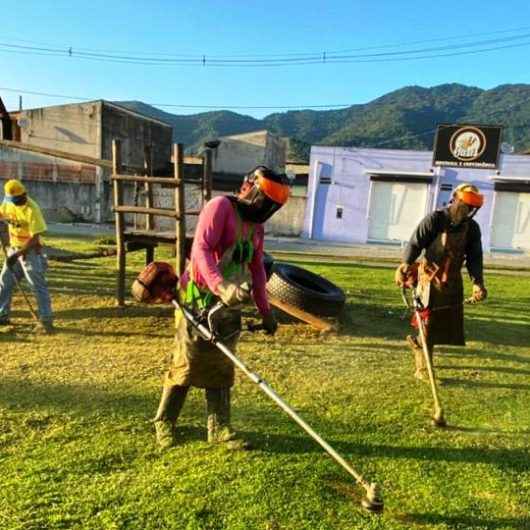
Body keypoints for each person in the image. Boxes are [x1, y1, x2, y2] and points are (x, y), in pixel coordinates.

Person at [154, 166, 290, 450]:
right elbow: (201, 250)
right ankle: (164, 422)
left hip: (230, 304)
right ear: (248, 188)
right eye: (263, 200)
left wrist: (266, 313)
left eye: (271, 205)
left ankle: (219, 428)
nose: (264, 208)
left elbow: (256, 269)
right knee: (186, 362)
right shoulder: (220, 207)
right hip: (198, 298)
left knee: (223, 364)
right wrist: (221, 286)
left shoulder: (256, 227)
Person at [395, 183, 487, 380]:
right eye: (464, 206)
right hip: (429, 280)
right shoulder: (435, 219)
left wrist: (477, 282)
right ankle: (423, 369)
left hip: (452, 282)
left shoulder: (472, 229)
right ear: (455, 200)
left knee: (443, 327)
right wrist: (405, 265)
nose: (467, 211)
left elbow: (475, 257)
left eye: (471, 209)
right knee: (427, 325)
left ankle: (419, 345)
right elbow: (415, 243)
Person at [0, 179, 54, 333]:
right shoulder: (8, 203)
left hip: (30, 252)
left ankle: (46, 320)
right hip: (13, 249)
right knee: (5, 282)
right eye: (12, 200)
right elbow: (1, 213)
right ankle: (2, 315)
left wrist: (17, 254)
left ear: (24, 195)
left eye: (17, 200)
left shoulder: (32, 209)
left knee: (36, 285)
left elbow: (35, 238)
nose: (14, 203)